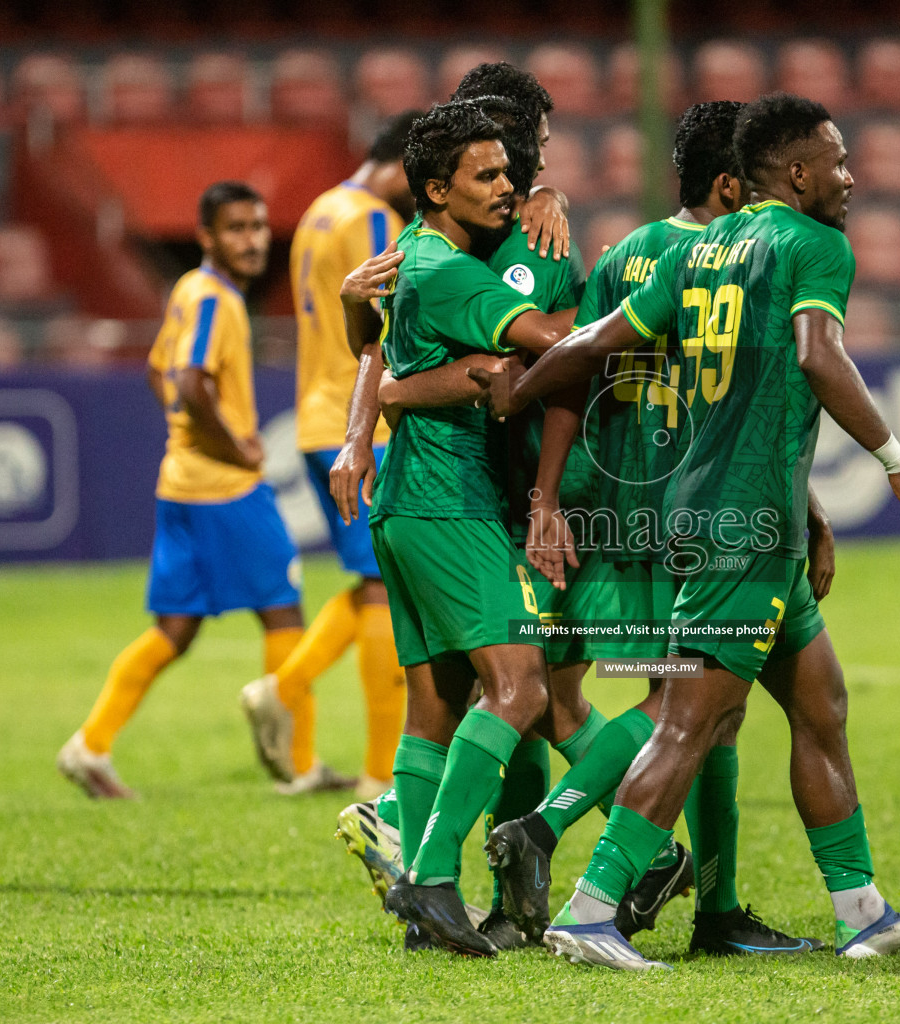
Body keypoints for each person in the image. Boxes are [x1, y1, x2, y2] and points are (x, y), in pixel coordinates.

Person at [471, 94, 900, 968]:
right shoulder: (814, 245)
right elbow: (819, 354)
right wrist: (897, 460)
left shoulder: (700, 250)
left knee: (822, 707)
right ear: (800, 171)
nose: (851, 178)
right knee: (686, 724)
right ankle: (589, 913)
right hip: (742, 531)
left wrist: (524, 385)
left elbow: (595, 340)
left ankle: (863, 913)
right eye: (839, 161)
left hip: (720, 516)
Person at [485, 100, 823, 957]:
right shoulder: (734, 258)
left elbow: (577, 374)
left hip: (624, 507)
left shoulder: (628, 252)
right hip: (704, 513)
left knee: (709, 709)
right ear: (732, 180)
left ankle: (720, 907)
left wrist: (550, 496)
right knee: (689, 702)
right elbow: (747, 401)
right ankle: (554, 828)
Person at [365, 101, 582, 957]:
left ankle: (429, 910)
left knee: (436, 704)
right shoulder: (451, 272)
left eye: (510, 173)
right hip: (450, 502)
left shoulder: (418, 259)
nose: (506, 188)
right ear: (434, 188)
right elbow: (549, 340)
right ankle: (430, 877)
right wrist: (648, 312)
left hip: (411, 504)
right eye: (486, 176)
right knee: (523, 688)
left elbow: (407, 370)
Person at [57, 182, 305, 799]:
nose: (252, 241)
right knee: (285, 611)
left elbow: (156, 372)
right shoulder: (216, 300)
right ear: (206, 236)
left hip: (180, 485)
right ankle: (296, 765)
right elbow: (191, 382)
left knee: (175, 631)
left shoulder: (187, 292)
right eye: (236, 229)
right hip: (227, 490)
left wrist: (187, 438)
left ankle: (89, 746)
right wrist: (235, 447)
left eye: (258, 227)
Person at [239, 112, 419, 799]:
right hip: (358, 421)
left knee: (369, 579)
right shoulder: (373, 219)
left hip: (317, 414)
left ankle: (285, 690)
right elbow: (383, 320)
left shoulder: (319, 209)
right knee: (383, 587)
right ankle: (378, 774)